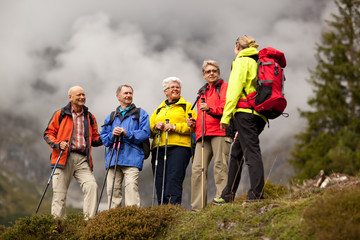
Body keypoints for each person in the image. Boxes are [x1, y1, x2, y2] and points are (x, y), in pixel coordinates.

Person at [213, 35, 267, 204]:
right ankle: (227, 195)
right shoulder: (257, 60)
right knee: (237, 153)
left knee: (251, 152)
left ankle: (256, 195)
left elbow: (234, 91)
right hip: (260, 114)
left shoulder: (242, 61)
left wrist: (226, 116)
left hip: (245, 112)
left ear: (237, 46)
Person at [44, 86, 102, 219]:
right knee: (59, 195)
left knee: (92, 186)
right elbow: (48, 134)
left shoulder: (90, 117)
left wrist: (107, 136)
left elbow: (94, 139)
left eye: (83, 94)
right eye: (78, 95)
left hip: (82, 159)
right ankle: (58, 227)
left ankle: (89, 223)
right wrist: (58, 144)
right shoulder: (61, 114)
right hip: (63, 157)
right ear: (70, 97)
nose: (82, 97)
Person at [187, 60, 233, 212]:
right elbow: (202, 116)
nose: (211, 73)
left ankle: (222, 203)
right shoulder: (202, 92)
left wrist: (210, 108)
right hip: (202, 135)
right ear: (204, 75)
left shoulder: (226, 87)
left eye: (214, 70)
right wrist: (193, 124)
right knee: (197, 170)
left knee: (220, 167)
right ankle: (197, 208)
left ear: (218, 73)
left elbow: (227, 108)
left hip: (220, 131)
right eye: (208, 71)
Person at [100, 85, 150, 208]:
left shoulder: (140, 113)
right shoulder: (111, 116)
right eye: (125, 93)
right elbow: (104, 138)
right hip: (114, 159)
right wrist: (112, 134)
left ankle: (132, 218)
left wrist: (126, 133)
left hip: (132, 158)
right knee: (112, 190)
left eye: (130, 93)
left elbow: (145, 133)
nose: (128, 95)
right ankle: (114, 219)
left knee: (131, 187)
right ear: (118, 96)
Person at [150, 77, 196, 205]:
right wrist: (155, 127)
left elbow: (194, 126)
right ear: (165, 91)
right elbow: (149, 129)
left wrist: (175, 127)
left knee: (173, 178)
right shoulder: (159, 109)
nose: (176, 89)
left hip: (180, 147)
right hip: (159, 147)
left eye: (178, 87)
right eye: (172, 87)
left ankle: (173, 209)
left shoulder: (186, 107)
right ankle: (163, 209)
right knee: (159, 179)